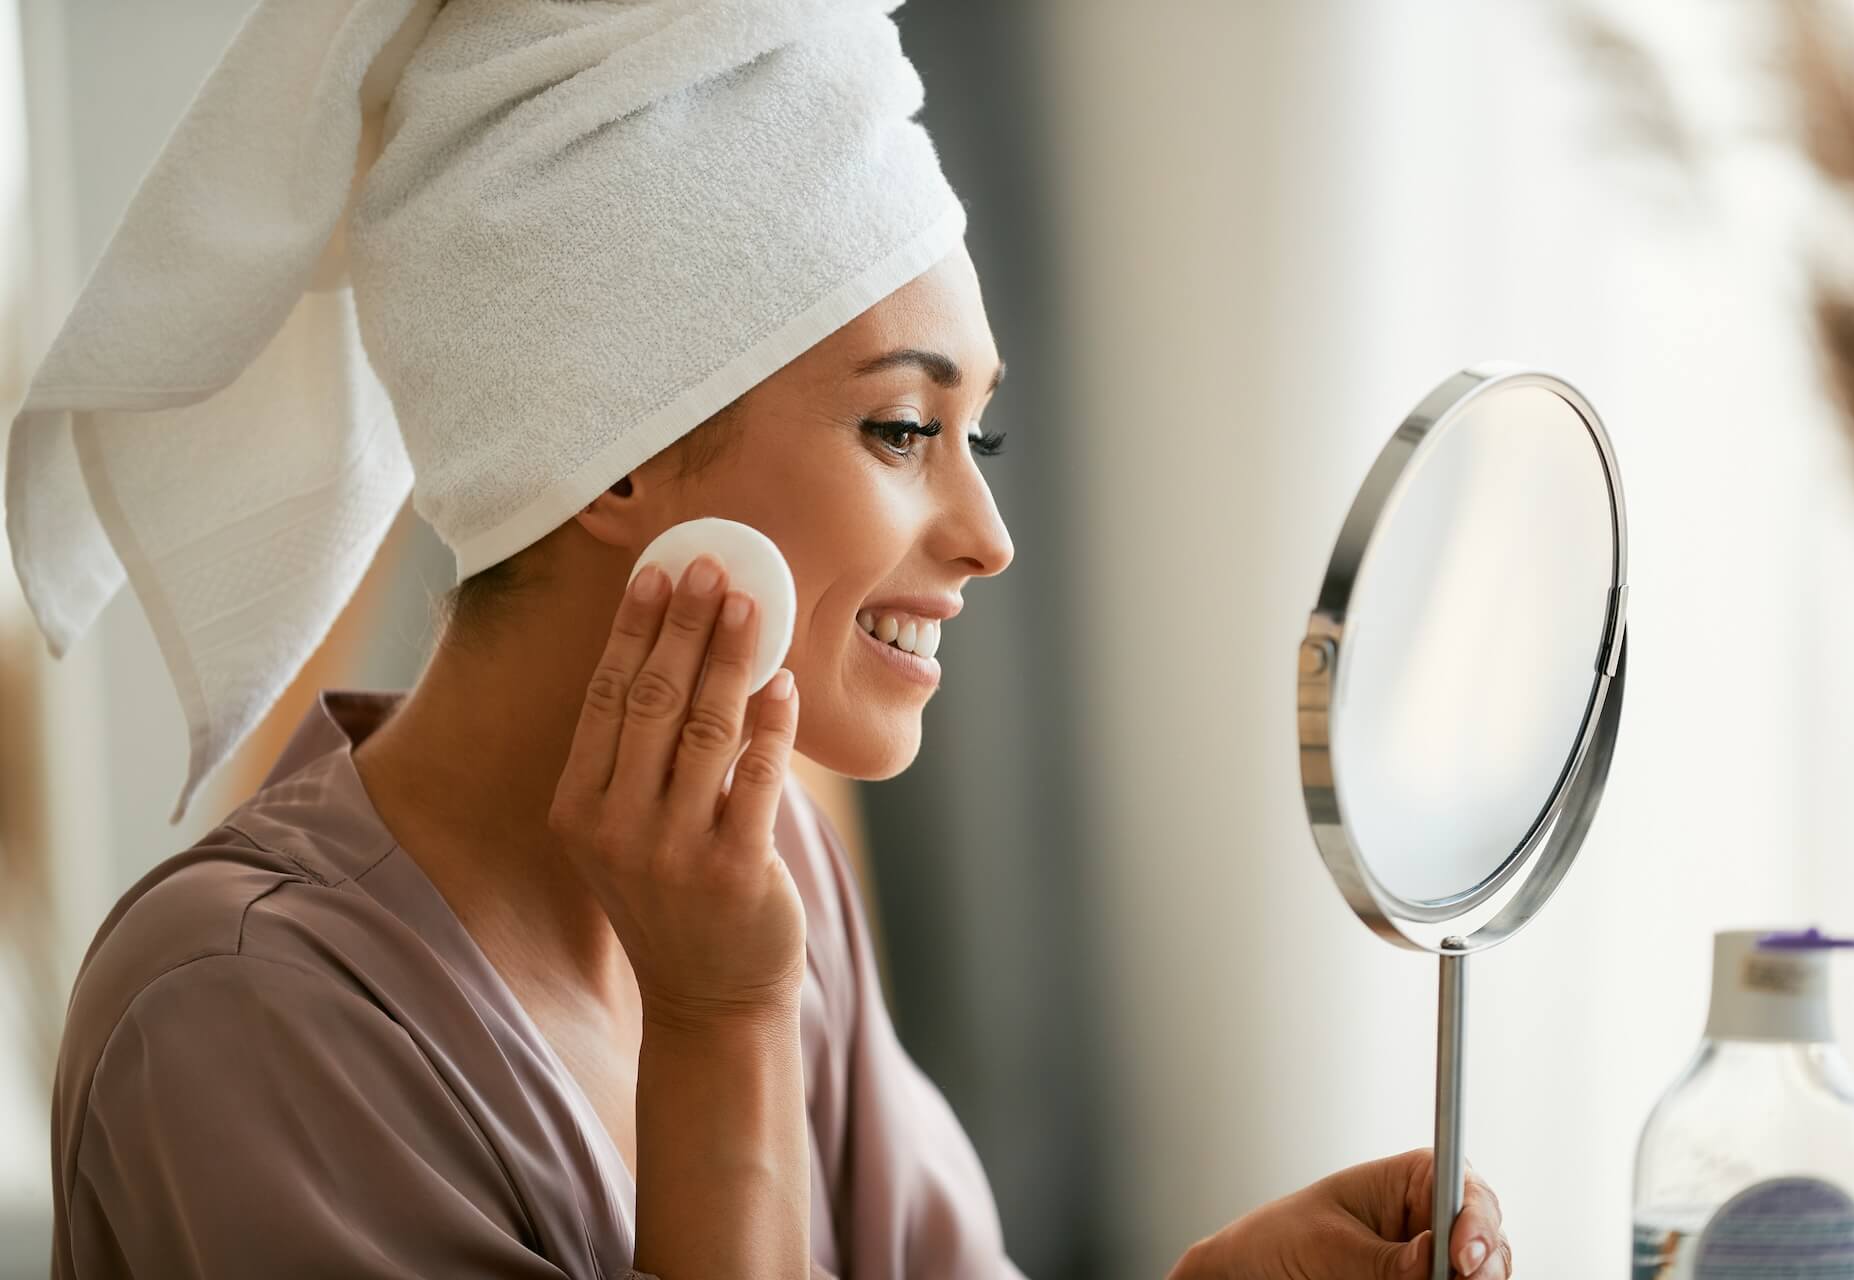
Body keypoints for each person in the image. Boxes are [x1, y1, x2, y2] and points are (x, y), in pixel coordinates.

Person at [13, 2, 1512, 1277]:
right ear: (607, 449)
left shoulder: (770, 864)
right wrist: (722, 1028)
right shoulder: (235, 1016)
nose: (990, 534)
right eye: (905, 427)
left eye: (979, 429)